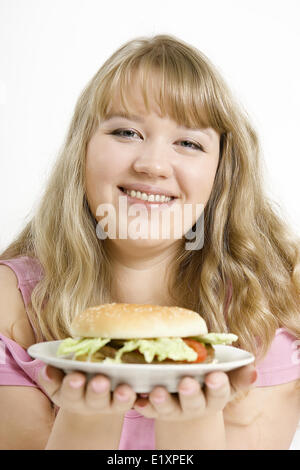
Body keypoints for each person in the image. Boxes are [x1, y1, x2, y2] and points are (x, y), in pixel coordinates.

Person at [0, 34, 299, 450]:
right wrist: (86, 419)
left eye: (189, 143)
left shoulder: (266, 308)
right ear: (82, 150)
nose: (153, 165)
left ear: (221, 175)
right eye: (125, 132)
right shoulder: (10, 303)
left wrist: (192, 423)